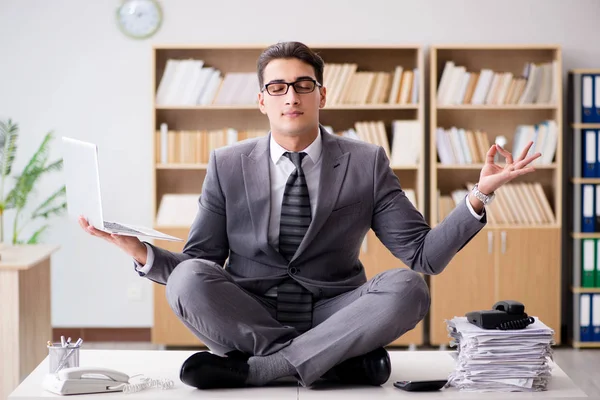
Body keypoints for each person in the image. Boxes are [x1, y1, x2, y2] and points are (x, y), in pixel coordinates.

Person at [79, 41, 541, 390]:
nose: (291, 97)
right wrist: (142, 254)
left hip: (334, 312)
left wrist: (480, 194)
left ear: (322, 94)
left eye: (303, 85)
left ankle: (262, 370)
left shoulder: (366, 161)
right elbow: (200, 262)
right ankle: (333, 363)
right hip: (250, 312)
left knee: (408, 288)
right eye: (277, 88)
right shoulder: (226, 163)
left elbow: (423, 255)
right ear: (262, 100)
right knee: (187, 279)